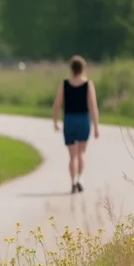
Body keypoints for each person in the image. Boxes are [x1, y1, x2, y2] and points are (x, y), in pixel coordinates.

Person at [51, 55, 100, 193]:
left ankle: (72, 182)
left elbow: (56, 105)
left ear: (71, 69)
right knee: (81, 153)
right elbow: (93, 106)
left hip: (69, 119)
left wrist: (55, 122)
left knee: (72, 156)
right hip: (83, 119)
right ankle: (80, 179)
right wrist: (96, 127)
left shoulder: (64, 84)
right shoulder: (88, 84)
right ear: (83, 68)